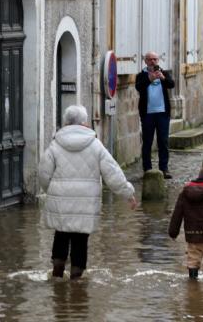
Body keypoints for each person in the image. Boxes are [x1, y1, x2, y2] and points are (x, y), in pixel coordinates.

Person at [38, 105, 137, 280]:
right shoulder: (95, 145)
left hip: (61, 202)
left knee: (60, 235)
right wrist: (128, 193)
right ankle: (76, 281)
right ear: (84, 122)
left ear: (66, 122)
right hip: (86, 204)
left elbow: (44, 175)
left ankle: (57, 274)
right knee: (80, 240)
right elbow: (112, 173)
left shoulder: (55, 144)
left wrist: (52, 192)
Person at [135, 51, 176, 179]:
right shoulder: (141, 75)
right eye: (150, 59)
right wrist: (149, 79)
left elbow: (171, 84)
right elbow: (139, 87)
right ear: (145, 61)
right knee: (147, 141)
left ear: (158, 61)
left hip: (162, 113)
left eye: (155, 59)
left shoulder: (164, 73)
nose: (153, 61)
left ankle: (164, 169)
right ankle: (147, 169)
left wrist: (162, 78)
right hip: (147, 114)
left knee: (163, 141)